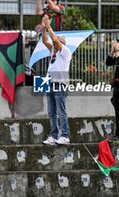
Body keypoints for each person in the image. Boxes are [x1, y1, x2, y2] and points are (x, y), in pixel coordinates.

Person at [41, 15, 72, 145]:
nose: (53, 43)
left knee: (61, 111)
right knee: (51, 112)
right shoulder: (53, 52)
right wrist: (43, 29)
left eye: (56, 42)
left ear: (61, 43)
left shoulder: (65, 51)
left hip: (60, 84)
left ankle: (64, 135)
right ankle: (53, 136)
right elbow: (45, 41)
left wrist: (49, 26)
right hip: (50, 83)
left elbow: (54, 39)